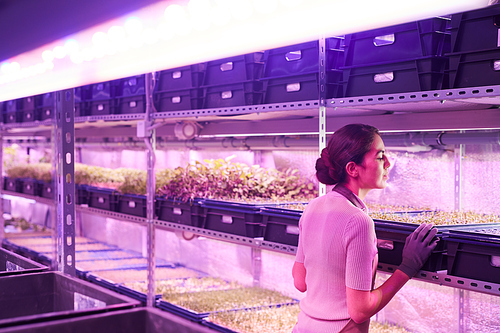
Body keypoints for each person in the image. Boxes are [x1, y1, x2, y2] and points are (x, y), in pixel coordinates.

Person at [292, 123, 438, 333]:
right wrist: (407, 267)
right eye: (380, 157)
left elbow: (300, 281)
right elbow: (360, 311)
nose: (388, 163)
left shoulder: (313, 207)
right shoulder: (358, 220)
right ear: (352, 169)